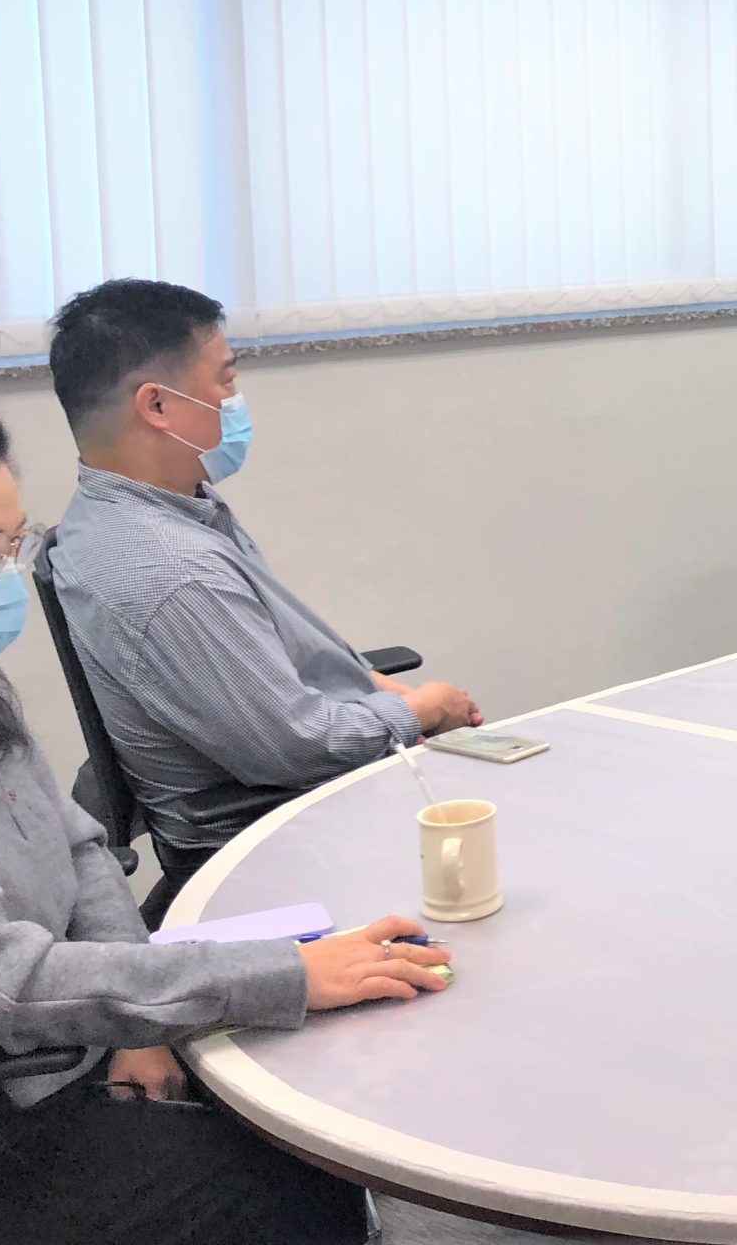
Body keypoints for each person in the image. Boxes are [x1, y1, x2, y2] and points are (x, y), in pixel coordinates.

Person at [0, 395, 454, 1244]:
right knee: (294, 1185)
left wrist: (139, 1033)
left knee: (320, 1087)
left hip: (59, 1058)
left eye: (10, 545)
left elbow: (80, 845)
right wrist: (286, 976)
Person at [44, 278, 481, 877]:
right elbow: (296, 748)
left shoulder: (144, 508)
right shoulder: (172, 573)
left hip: (310, 795)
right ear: (157, 406)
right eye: (225, 380)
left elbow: (275, 662)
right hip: (281, 839)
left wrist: (379, 687)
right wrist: (423, 709)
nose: (234, 398)